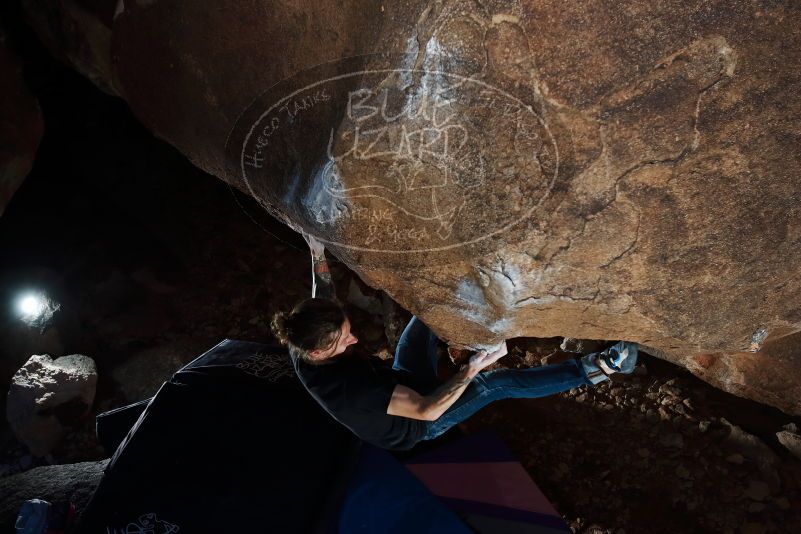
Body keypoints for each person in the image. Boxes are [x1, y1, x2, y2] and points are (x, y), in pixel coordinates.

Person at [271, 232, 638, 450]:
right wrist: (472, 367)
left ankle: (487, 276)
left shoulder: (302, 338)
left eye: (347, 330)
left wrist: (317, 253)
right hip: (418, 422)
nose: (353, 339)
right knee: (494, 384)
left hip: (397, 381)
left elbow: (326, 297)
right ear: (320, 352)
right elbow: (427, 408)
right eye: (343, 339)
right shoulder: (352, 391)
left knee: (427, 319)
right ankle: (601, 368)